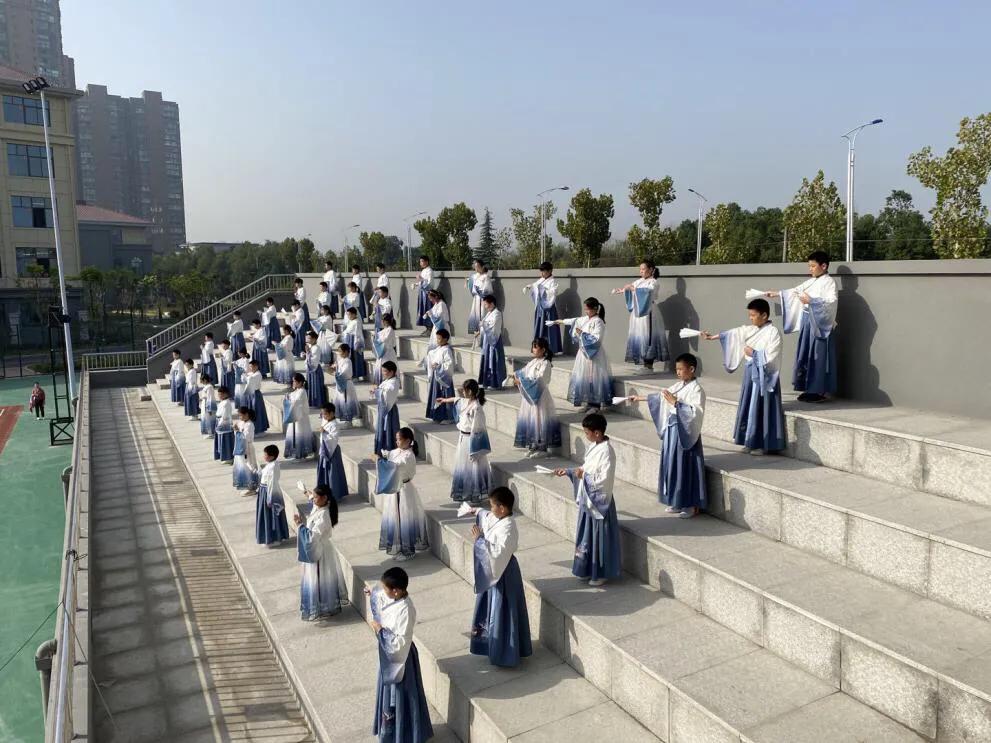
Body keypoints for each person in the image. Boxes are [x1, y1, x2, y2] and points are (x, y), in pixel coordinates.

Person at [628, 352, 706, 518]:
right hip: (672, 432)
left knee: (684, 467)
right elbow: (660, 398)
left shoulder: (697, 390)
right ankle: (676, 501)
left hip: (685, 434)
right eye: (676, 369)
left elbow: (695, 413)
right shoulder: (678, 385)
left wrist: (676, 403)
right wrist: (639, 398)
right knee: (671, 465)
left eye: (681, 369)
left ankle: (690, 504)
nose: (678, 372)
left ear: (691, 369)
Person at [702, 298, 785, 455]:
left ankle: (762, 444)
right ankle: (749, 440)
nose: (751, 318)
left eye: (753, 315)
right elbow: (734, 333)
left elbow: (772, 355)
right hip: (750, 372)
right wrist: (712, 337)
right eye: (750, 315)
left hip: (764, 375)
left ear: (764, 315)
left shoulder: (773, 332)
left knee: (762, 409)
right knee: (749, 406)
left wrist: (754, 353)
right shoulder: (752, 329)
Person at [465, 486, 532, 667]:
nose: (491, 509)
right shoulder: (499, 518)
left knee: (503, 611)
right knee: (492, 609)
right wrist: (477, 511)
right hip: (494, 571)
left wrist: (480, 539)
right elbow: (487, 517)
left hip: (503, 573)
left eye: (493, 505)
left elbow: (497, 554)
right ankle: (491, 646)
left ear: (502, 508)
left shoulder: (508, 528)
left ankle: (505, 653)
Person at [367, 567, 433, 743]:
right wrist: (373, 593)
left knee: (402, 695)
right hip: (387, 656)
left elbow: (399, 643)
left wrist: (381, 631)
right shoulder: (395, 597)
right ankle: (393, 732)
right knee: (390, 694)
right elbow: (382, 597)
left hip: (401, 659)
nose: (383, 591)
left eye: (386, 589)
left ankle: (406, 735)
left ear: (396, 591)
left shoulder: (406, 610)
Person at [554, 413, 621, 587]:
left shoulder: (607, 451)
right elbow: (586, 468)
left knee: (598, 537)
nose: (586, 435)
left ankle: (600, 573)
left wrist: (584, 475)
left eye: (587, 432)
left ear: (597, 433)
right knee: (586, 535)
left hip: (599, 502)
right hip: (588, 497)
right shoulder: (594, 446)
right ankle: (586, 569)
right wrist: (570, 471)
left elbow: (603, 479)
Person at [764, 250, 838, 403]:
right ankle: (808, 388)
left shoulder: (829, 282)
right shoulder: (812, 281)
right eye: (809, 266)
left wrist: (811, 301)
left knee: (818, 356)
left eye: (812, 266)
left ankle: (817, 390)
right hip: (807, 320)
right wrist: (777, 293)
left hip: (818, 324)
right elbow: (795, 291)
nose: (810, 269)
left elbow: (831, 303)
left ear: (823, 266)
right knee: (806, 354)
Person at [375, 427, 428, 561]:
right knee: (396, 518)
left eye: (399, 439)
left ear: (408, 441)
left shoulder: (409, 456)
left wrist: (378, 461)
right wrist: (382, 456)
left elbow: (394, 467)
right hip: (395, 489)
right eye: (396, 439)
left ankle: (408, 550)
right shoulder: (396, 451)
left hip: (404, 489)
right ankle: (399, 547)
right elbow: (390, 455)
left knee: (405, 519)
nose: (397, 442)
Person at [295, 485, 346, 620]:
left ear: (324, 498)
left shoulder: (324, 516)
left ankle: (323, 606)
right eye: (314, 497)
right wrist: (306, 491)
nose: (313, 499)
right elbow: (311, 497)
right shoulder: (318, 507)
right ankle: (321, 605)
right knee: (318, 578)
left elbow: (312, 536)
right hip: (317, 547)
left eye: (316, 497)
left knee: (319, 577)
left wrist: (300, 526)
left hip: (320, 550)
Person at [436, 379, 491, 504]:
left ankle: (476, 494)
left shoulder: (477, 407)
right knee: (464, 467)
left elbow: (479, 428)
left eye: (464, 389)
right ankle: (467, 493)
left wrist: (475, 446)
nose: (462, 391)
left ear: (470, 391)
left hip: (471, 440)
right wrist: (444, 400)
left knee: (473, 467)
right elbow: (456, 399)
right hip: (463, 438)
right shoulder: (465, 401)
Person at [555, 297, 613, 412]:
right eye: (585, 309)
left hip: (594, 354)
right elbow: (574, 320)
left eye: (587, 309)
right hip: (583, 353)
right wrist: (560, 321)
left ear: (595, 309)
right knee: (585, 377)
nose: (586, 311)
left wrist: (582, 334)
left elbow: (596, 339)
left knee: (594, 378)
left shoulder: (598, 322)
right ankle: (588, 402)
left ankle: (595, 405)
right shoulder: (586, 319)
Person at [612, 259, 668, 373]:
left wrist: (633, 289)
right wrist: (623, 290)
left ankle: (649, 365)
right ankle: (643, 363)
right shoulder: (639, 281)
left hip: (648, 311)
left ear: (651, 269)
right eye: (640, 269)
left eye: (643, 269)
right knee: (640, 336)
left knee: (649, 337)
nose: (641, 271)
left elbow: (647, 292)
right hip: (638, 313)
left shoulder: (653, 282)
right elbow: (632, 289)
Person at [513, 337, 561, 458]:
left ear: (543, 349)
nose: (533, 349)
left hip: (540, 396)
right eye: (533, 346)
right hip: (530, 396)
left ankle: (542, 448)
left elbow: (540, 379)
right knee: (531, 420)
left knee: (540, 420)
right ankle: (533, 444)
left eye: (536, 347)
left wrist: (521, 381)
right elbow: (523, 372)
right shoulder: (533, 362)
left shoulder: (546, 363)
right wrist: (514, 376)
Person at [524, 261, 562, 354]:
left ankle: (550, 349)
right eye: (541, 271)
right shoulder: (541, 280)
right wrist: (530, 287)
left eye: (544, 271)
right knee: (539, 327)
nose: (542, 273)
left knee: (549, 329)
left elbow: (553, 292)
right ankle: (538, 348)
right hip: (540, 308)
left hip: (548, 309)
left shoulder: (552, 282)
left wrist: (543, 290)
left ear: (549, 271)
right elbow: (535, 286)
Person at [256, 444, 290, 545]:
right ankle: (271, 537)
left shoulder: (273, 466)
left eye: (265, 455)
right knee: (267, 516)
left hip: (269, 493)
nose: (264, 456)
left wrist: (270, 499)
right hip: (264, 490)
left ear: (271, 456)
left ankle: (274, 538)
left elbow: (271, 483)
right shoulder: (270, 464)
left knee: (270, 516)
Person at [316, 403, 349, 500]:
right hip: (324, 450)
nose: (323, 416)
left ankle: (334, 494)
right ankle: (324, 494)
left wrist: (324, 432)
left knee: (332, 473)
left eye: (325, 414)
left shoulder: (335, 425)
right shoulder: (325, 420)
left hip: (332, 451)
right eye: (322, 414)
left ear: (332, 413)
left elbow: (333, 438)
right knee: (324, 472)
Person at [424, 329, 456, 424]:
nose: (437, 340)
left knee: (445, 395)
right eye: (437, 338)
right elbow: (432, 354)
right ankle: (437, 415)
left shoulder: (447, 350)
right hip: (437, 376)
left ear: (446, 339)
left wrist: (439, 366)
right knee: (437, 395)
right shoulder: (439, 349)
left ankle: (448, 417)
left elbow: (449, 364)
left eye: (439, 339)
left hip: (444, 378)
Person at [477, 294, 506, 390]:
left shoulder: (497, 313)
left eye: (486, 304)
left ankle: (496, 383)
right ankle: (487, 382)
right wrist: (479, 331)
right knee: (487, 360)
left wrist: (484, 325)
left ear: (492, 303)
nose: (485, 307)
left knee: (494, 360)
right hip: (487, 340)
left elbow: (494, 328)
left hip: (494, 340)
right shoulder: (489, 313)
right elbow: (485, 325)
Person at [372, 361, 401, 456]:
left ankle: (389, 449)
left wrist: (377, 391)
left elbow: (387, 393)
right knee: (382, 428)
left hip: (389, 410)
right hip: (383, 409)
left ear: (391, 372)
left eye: (384, 371)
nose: (382, 373)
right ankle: (382, 450)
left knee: (389, 429)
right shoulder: (387, 381)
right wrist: (376, 390)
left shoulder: (394, 382)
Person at [283, 373, 314, 460]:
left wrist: (290, 399)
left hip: (300, 418)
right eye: (293, 381)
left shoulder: (302, 391)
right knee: (293, 434)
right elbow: (291, 397)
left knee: (299, 434)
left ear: (300, 382)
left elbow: (296, 402)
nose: (293, 383)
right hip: (295, 416)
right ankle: (294, 453)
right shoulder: (297, 391)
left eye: (295, 381)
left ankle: (301, 454)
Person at [329, 344, 359, 427]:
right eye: (338, 351)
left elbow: (345, 372)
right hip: (340, 383)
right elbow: (336, 367)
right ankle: (344, 418)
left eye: (340, 351)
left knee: (347, 401)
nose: (339, 353)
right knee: (342, 401)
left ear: (346, 352)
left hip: (346, 383)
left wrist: (336, 373)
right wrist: (333, 368)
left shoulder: (348, 361)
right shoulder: (340, 360)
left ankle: (349, 420)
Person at [233, 407, 259, 492]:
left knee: (250, 465)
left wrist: (237, 431)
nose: (240, 417)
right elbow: (238, 434)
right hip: (241, 447)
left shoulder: (250, 424)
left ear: (246, 414)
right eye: (239, 416)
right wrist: (236, 430)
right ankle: (246, 485)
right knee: (243, 466)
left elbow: (246, 437)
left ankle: (252, 487)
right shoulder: (241, 422)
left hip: (248, 447)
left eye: (241, 415)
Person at [466, 259, 493, 335]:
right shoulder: (475, 276)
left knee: (482, 316)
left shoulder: (486, 277)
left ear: (482, 266)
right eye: (475, 267)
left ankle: (483, 335)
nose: (476, 269)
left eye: (478, 266)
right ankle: (477, 335)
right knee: (475, 316)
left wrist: (481, 292)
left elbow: (489, 289)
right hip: (476, 299)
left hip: (483, 299)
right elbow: (471, 287)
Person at [243, 359, 270, 434]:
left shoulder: (258, 374)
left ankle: (259, 430)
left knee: (257, 411)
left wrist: (246, 375)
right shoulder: (252, 373)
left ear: (256, 366)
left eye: (252, 367)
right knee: (251, 410)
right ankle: (253, 430)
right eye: (250, 366)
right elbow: (244, 379)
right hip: (250, 394)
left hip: (256, 394)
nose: (250, 368)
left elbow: (250, 379)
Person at [372, 313, 399, 385]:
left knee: (387, 368)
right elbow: (380, 335)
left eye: (383, 320)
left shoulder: (390, 330)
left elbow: (385, 339)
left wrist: (377, 337)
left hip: (388, 353)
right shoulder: (385, 329)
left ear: (386, 321)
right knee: (380, 368)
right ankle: (381, 385)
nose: (382, 322)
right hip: (382, 352)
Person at [341, 307, 368, 380]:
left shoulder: (357, 322)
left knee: (355, 358)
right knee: (350, 357)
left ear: (354, 314)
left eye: (349, 314)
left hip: (354, 341)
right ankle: (352, 374)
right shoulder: (351, 321)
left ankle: (356, 375)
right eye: (348, 314)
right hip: (349, 340)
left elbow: (358, 333)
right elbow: (347, 330)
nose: (348, 316)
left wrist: (357, 343)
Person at [410, 255, 433, 332]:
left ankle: (430, 327)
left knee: (428, 309)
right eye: (420, 261)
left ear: (427, 261)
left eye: (422, 261)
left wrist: (421, 279)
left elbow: (429, 284)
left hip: (427, 294)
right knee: (422, 310)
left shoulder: (430, 271)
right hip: (422, 293)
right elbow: (421, 282)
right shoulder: (423, 271)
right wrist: (415, 284)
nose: (421, 263)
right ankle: (427, 327)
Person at [305, 331, 328, 409]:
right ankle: (312, 402)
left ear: (314, 339)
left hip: (315, 369)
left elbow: (314, 360)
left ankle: (318, 402)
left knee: (316, 385)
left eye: (310, 338)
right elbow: (308, 357)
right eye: (308, 338)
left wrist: (308, 352)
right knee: (310, 385)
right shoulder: (311, 346)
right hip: (310, 368)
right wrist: (306, 354)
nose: (308, 340)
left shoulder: (317, 348)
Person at [213, 386, 236, 463]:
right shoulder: (223, 402)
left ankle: (229, 457)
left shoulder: (226, 403)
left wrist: (220, 424)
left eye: (221, 394)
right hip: (219, 421)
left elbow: (225, 415)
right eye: (219, 394)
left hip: (224, 423)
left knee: (226, 440)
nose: (219, 396)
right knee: (221, 440)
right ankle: (225, 456)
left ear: (226, 394)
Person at [198, 373, 217, 439]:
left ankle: (211, 433)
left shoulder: (209, 387)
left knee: (209, 418)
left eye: (201, 380)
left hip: (208, 404)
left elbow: (210, 398)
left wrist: (210, 408)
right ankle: (209, 432)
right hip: (204, 403)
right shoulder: (207, 386)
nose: (200, 381)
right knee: (205, 418)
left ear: (205, 380)